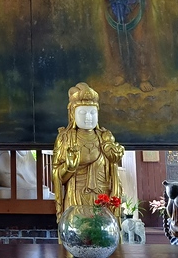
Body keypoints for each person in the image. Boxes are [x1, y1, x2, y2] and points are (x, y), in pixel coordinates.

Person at [51, 82, 124, 223]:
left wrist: (114, 155)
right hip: (76, 196)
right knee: (77, 234)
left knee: (103, 235)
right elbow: (57, 176)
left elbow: (113, 170)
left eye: (92, 112)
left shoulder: (105, 137)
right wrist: (69, 167)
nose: (88, 117)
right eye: (82, 112)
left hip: (102, 197)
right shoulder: (65, 138)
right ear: (72, 114)